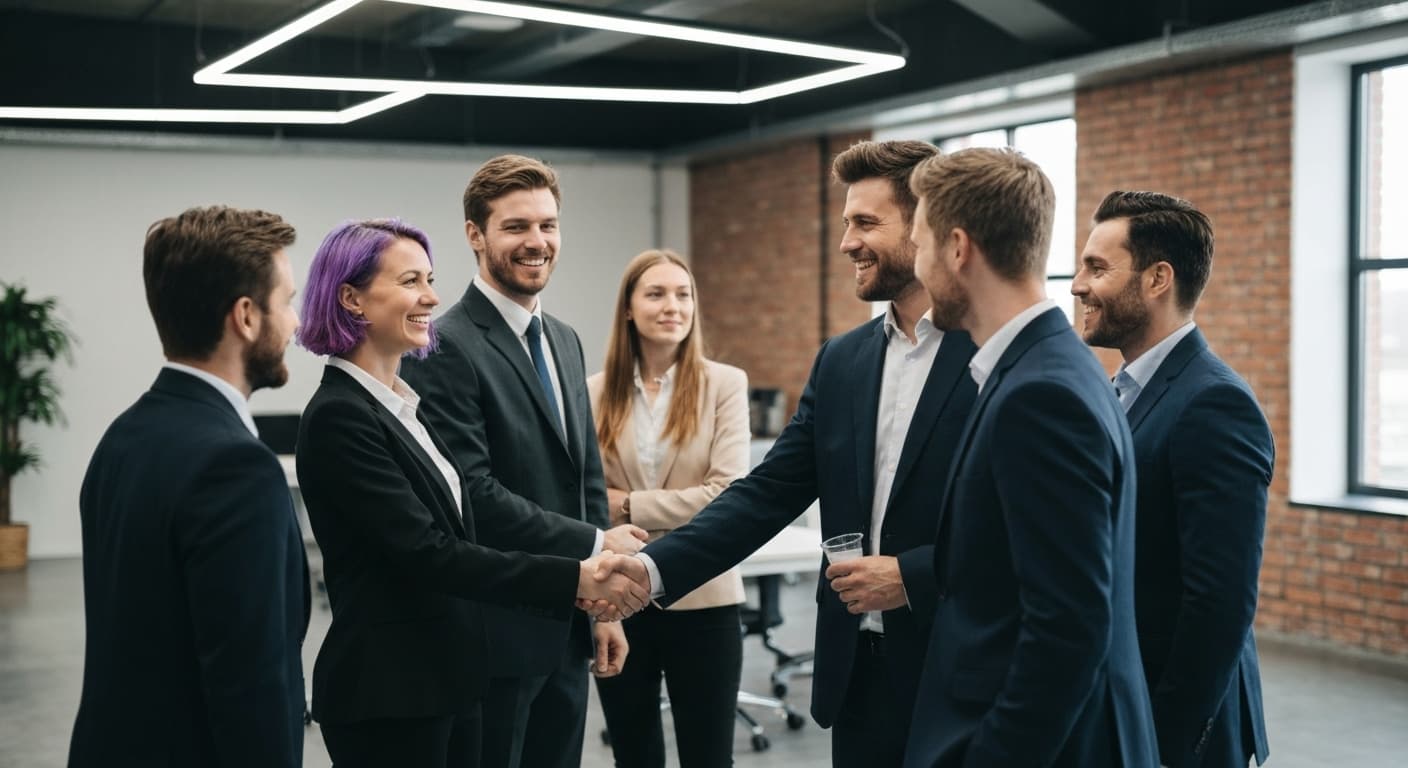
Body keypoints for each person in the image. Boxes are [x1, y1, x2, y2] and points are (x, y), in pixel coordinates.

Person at [602, 140, 979, 766]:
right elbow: (766, 493)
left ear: (925, 225)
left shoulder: (992, 356)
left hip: (960, 672)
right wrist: (650, 572)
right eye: (845, 222)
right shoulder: (844, 360)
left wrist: (914, 577)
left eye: (864, 222)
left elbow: (1023, 537)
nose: (846, 242)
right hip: (857, 675)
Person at [294, 218, 646, 768]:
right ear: (351, 299)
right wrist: (575, 574)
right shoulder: (340, 417)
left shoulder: (401, 407)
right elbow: (429, 553)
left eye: (429, 279)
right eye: (410, 281)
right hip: (393, 694)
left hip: (448, 678)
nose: (431, 297)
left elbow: (465, 527)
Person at [902, 148, 1158, 768]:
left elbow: (1068, 629)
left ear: (958, 248)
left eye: (919, 245)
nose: (916, 264)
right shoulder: (1039, 368)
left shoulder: (1040, 394)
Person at [399, 155, 647, 768]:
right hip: (495, 633)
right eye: (515, 227)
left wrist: (605, 607)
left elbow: (584, 475)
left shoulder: (563, 338)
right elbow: (474, 494)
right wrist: (596, 541)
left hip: (568, 625)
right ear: (475, 236)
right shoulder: (443, 345)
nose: (537, 242)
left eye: (548, 225)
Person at [70, 206, 309, 767]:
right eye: (288, 301)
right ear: (247, 317)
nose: (296, 323)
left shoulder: (123, 438)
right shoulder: (237, 469)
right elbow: (251, 688)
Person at [1072, 191, 1273, 768]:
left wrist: (1160, 744)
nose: (1078, 284)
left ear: (1158, 278)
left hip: (1176, 730)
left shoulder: (1213, 402)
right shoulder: (1121, 390)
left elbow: (1220, 603)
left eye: (1098, 267)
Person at [588, 249, 750, 767]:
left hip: (706, 599)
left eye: (683, 294)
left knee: (709, 757)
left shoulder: (724, 384)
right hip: (618, 600)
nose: (672, 306)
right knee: (634, 756)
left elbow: (725, 495)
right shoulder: (592, 393)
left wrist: (629, 506)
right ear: (629, 309)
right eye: (655, 294)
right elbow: (588, 498)